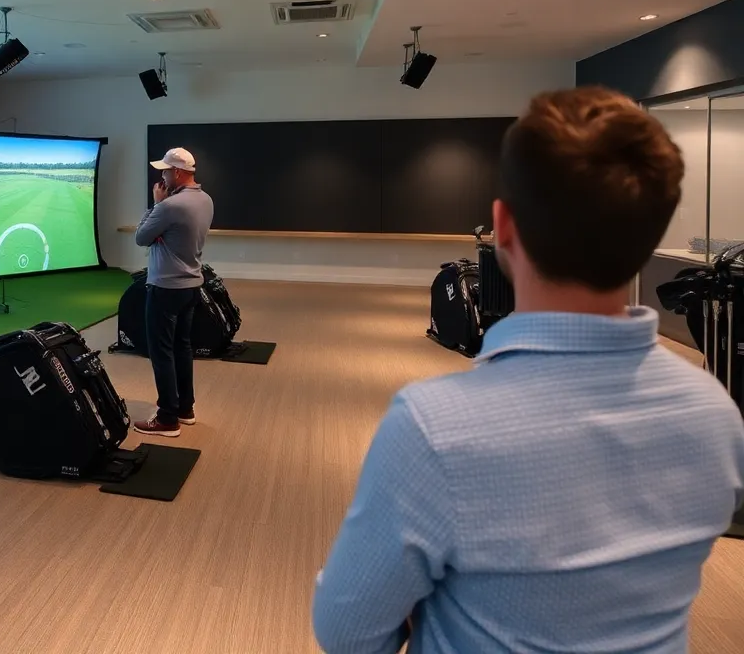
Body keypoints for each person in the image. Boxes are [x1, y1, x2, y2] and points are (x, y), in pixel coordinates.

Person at [311, 87, 744, 653]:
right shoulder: (716, 414)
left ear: (503, 227)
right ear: (650, 236)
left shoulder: (434, 428)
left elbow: (348, 634)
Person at [132, 147, 214, 437]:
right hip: (191, 286)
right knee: (182, 348)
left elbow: (142, 238)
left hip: (165, 288)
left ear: (178, 173)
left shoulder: (169, 206)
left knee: (162, 352)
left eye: (165, 170)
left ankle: (168, 417)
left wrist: (156, 203)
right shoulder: (205, 200)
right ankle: (185, 408)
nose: (162, 175)